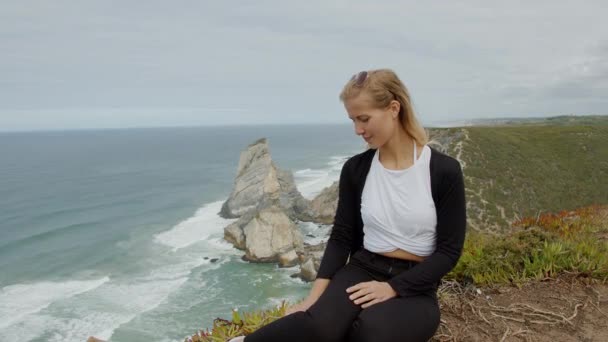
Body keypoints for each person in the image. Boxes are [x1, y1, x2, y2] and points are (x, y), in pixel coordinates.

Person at [230, 69, 467, 342]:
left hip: (416, 286)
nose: (358, 130)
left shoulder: (442, 170)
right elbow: (342, 237)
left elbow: (449, 251)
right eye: (353, 120)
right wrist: (313, 301)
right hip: (362, 268)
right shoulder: (356, 170)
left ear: (393, 108)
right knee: (318, 327)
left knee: (370, 332)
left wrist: (393, 288)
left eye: (364, 119)